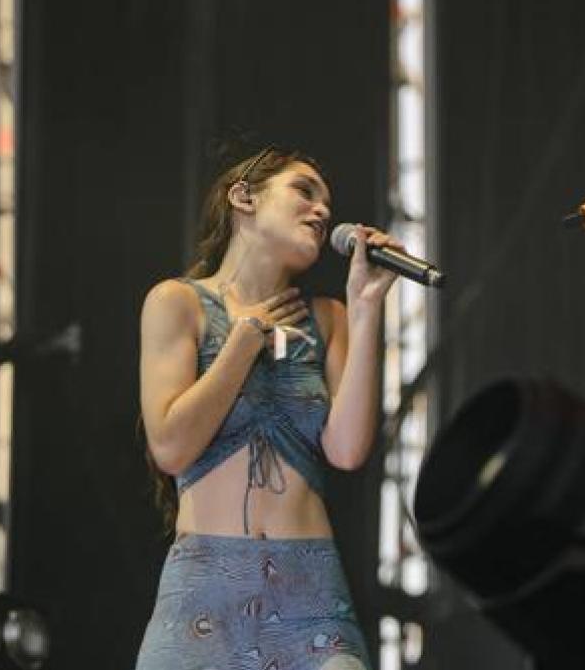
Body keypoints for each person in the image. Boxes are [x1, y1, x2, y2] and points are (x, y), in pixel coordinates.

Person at [135, 136, 399, 670]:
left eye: (328, 204)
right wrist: (245, 340)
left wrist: (366, 307)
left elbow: (348, 450)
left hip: (310, 589)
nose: (322, 210)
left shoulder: (328, 319)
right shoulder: (177, 303)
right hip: (204, 588)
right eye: (304, 191)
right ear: (243, 198)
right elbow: (170, 446)